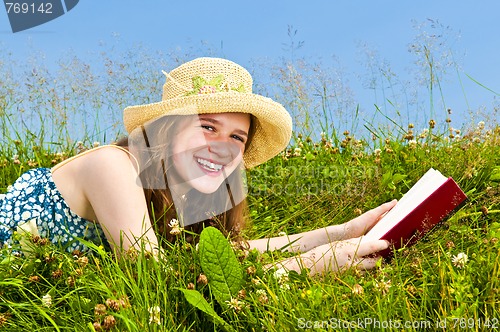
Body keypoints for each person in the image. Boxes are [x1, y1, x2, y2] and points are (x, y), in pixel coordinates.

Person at [0, 57, 396, 275]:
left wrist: (340, 232)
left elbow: (230, 256)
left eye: (237, 138)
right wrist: (300, 268)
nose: (223, 148)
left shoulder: (180, 196)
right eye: (207, 126)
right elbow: (155, 280)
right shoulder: (112, 166)